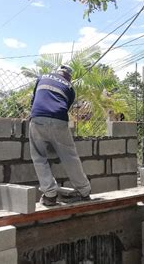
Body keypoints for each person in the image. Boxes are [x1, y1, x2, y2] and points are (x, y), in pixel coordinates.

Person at [29, 65, 91, 206]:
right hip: (59, 119)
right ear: (68, 77)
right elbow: (64, 107)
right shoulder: (69, 87)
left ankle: (50, 195)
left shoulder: (42, 77)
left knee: (39, 156)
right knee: (70, 157)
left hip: (38, 117)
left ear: (57, 72)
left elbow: (34, 100)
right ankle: (84, 191)